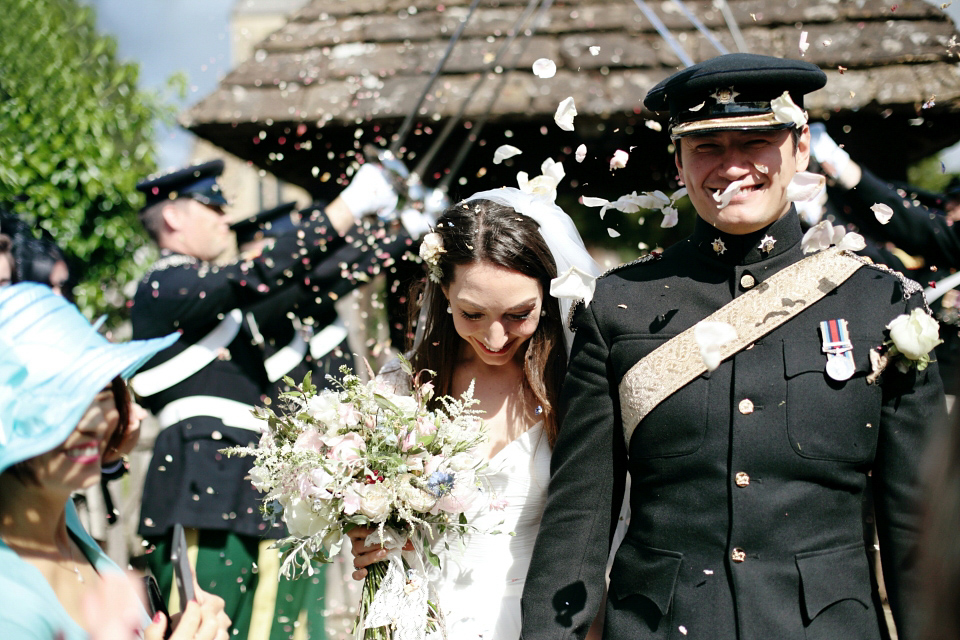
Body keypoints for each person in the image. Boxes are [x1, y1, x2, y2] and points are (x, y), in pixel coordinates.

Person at [521, 53, 946, 640]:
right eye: (707, 146)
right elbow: (580, 518)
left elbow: (921, 533)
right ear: (677, 161)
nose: (732, 166)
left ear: (800, 147)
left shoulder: (881, 305)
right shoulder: (620, 306)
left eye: (755, 141)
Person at [129, 158, 398, 639]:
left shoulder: (215, 292)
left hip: (247, 473)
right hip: (201, 472)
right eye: (211, 207)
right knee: (198, 622)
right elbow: (257, 271)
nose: (224, 219)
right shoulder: (162, 283)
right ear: (172, 217)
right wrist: (347, 207)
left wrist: (398, 231)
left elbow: (312, 282)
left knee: (259, 628)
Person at [348, 187, 601, 639]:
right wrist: (367, 532)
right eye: (473, 314)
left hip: (540, 622)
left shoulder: (577, 385)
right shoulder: (402, 387)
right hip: (420, 618)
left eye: (519, 314)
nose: (497, 337)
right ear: (444, 290)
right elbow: (368, 504)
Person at [0, 282, 230, 640]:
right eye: (63, 399)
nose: (95, 420)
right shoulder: (9, 606)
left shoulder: (60, 516)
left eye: (103, 391)